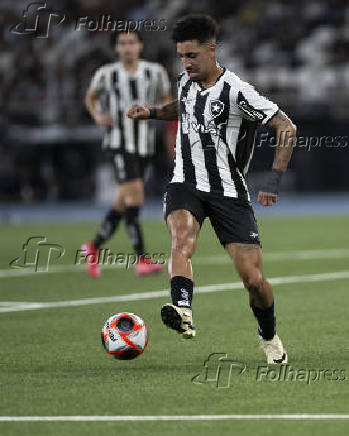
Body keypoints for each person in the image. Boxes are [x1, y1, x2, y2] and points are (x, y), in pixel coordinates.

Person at [127, 15, 297, 364]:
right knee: (181, 240)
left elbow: (287, 127)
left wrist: (274, 179)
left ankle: (269, 336)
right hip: (185, 182)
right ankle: (183, 311)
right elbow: (182, 105)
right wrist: (152, 113)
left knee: (253, 280)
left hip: (229, 191)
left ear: (212, 50)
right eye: (182, 56)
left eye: (192, 56)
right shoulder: (185, 81)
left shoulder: (237, 91)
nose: (186, 63)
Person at [83, 30, 171, 277]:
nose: (128, 47)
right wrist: (98, 114)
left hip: (144, 145)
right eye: (122, 43)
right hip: (119, 143)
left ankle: (93, 247)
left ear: (140, 45)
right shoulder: (106, 73)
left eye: (132, 42)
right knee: (136, 199)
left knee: (123, 204)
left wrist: (154, 110)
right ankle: (142, 259)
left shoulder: (155, 72)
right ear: (116, 48)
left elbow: (167, 102)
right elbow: (91, 98)